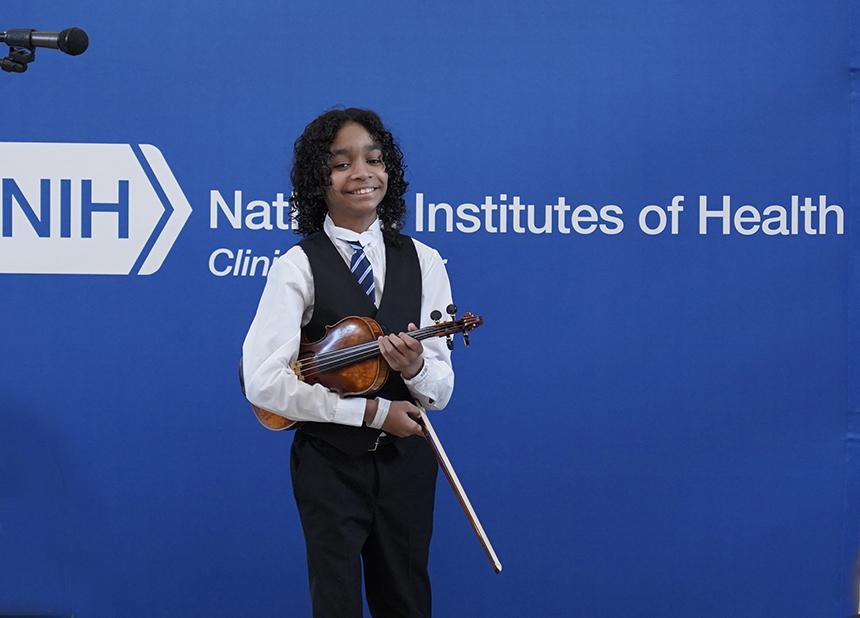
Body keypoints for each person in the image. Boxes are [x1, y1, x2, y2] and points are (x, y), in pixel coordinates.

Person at [242, 108, 454, 617]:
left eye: (374, 160)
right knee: (335, 602)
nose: (362, 173)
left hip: (407, 465)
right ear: (319, 180)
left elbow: (440, 390)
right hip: (330, 464)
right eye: (341, 164)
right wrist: (372, 413)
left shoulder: (425, 260)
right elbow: (263, 382)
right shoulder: (297, 265)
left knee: (406, 599)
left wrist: (413, 369)